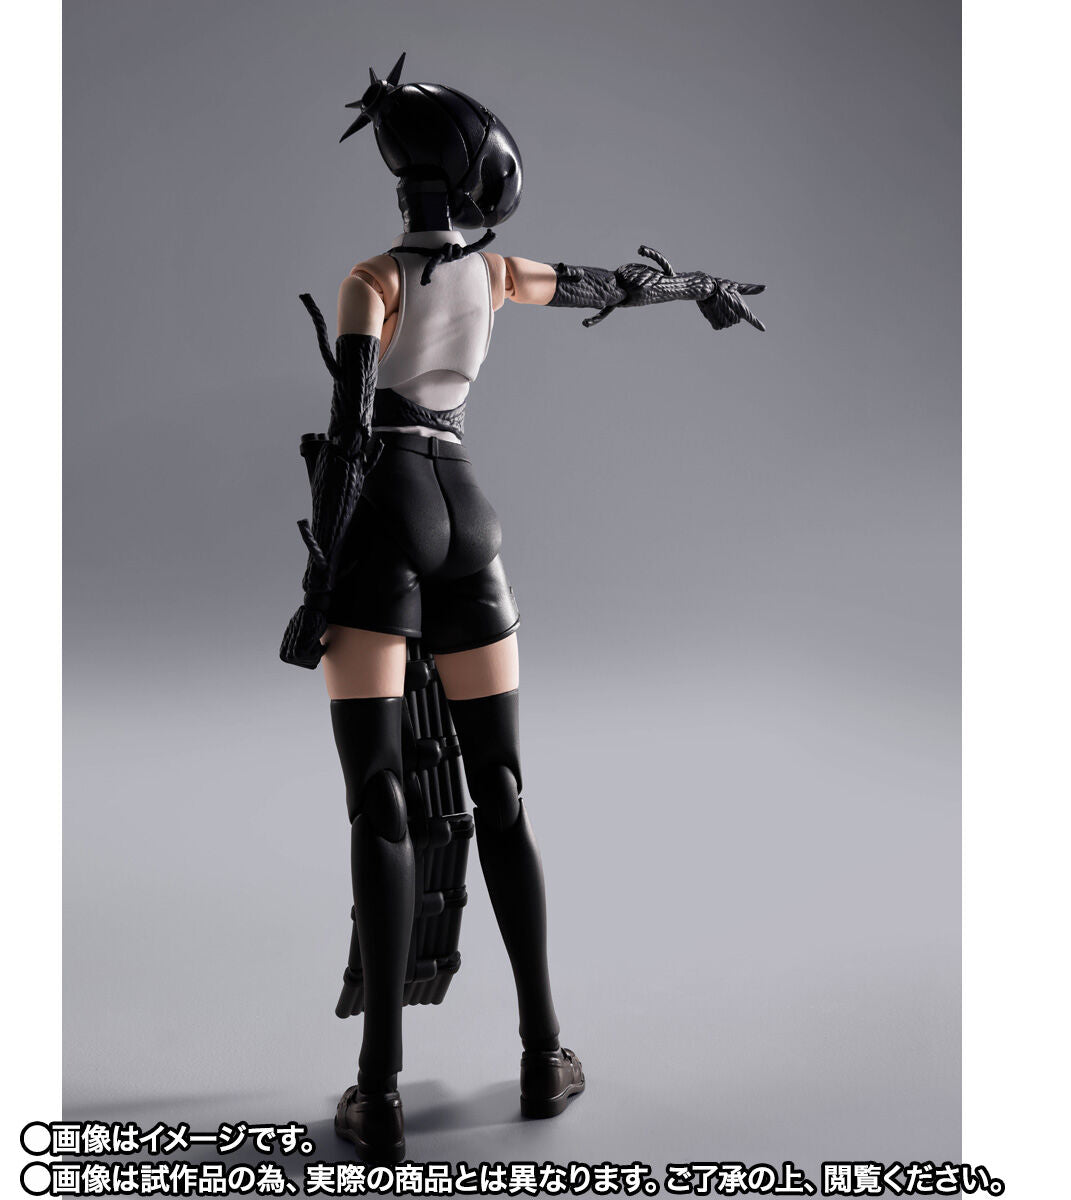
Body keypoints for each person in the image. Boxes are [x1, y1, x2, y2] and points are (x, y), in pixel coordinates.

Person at [280, 55, 765, 1166]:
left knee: (381, 802)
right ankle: (546, 1054)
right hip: (471, 517)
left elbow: (350, 435)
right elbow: (608, 285)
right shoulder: (496, 275)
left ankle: (379, 1094)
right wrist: (699, 285)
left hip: (387, 518)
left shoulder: (370, 281)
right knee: (500, 791)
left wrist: (317, 591)